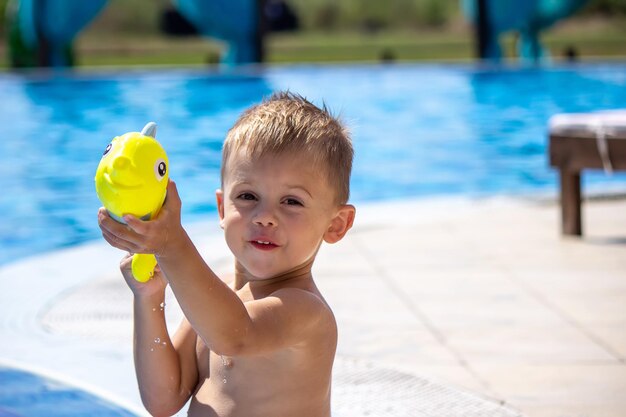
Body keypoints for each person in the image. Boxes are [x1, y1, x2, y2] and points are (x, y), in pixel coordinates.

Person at [97, 91, 356, 417]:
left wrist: (172, 244)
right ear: (222, 207)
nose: (265, 216)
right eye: (248, 195)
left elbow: (235, 335)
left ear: (336, 224)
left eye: (292, 201)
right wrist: (149, 296)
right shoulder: (217, 299)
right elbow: (163, 399)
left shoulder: (306, 312)